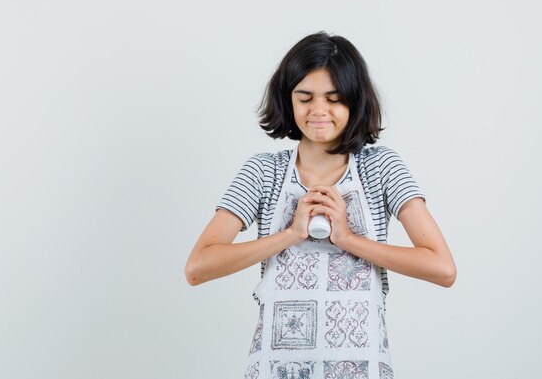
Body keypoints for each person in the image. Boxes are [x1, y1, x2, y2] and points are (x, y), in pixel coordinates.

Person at [185, 31, 456, 379]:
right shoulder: (263, 172)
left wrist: (347, 239)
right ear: (288, 100)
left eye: (334, 98)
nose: (318, 110)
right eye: (305, 97)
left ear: (355, 102)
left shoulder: (380, 168)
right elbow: (198, 266)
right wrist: (291, 234)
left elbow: (442, 268)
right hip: (274, 368)